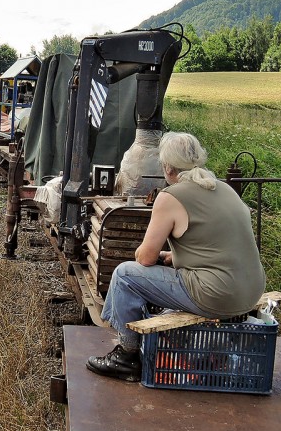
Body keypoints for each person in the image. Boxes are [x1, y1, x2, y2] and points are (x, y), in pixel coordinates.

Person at [86, 132, 266, 381]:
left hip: (217, 294)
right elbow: (213, 246)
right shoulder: (225, 189)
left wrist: (141, 251)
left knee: (125, 275)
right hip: (251, 291)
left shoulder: (171, 196)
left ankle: (125, 357)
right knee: (155, 275)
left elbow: (146, 259)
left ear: (167, 167)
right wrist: (175, 255)